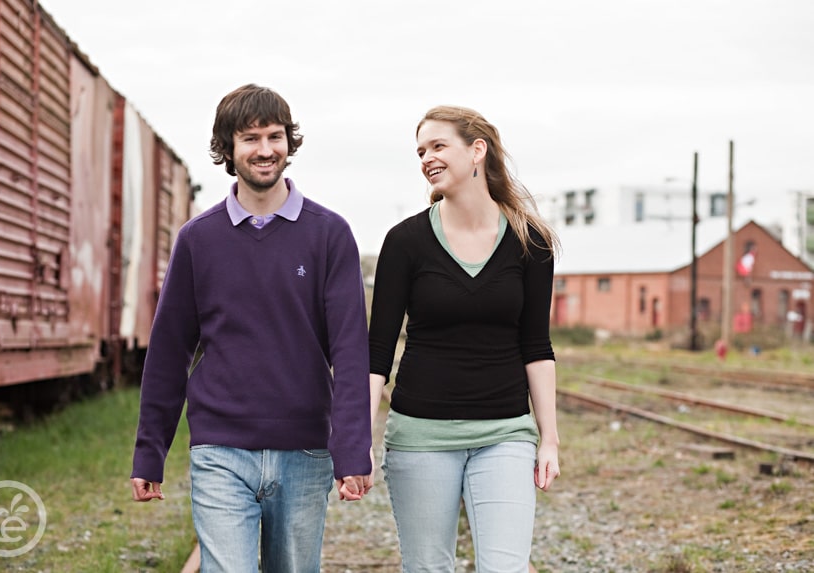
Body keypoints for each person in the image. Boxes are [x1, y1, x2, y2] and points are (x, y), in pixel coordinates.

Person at [130, 83, 373, 573]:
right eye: (251, 138)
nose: (265, 150)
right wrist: (149, 452)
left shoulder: (329, 234)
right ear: (228, 149)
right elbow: (168, 351)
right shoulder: (199, 239)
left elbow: (349, 351)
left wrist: (352, 449)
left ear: (290, 142)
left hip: (304, 452)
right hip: (220, 449)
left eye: (275, 136)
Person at [368, 105, 561, 572]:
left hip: (505, 434)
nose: (426, 159)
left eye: (438, 146)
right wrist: (360, 439)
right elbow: (377, 350)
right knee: (429, 567)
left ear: (477, 150)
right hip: (420, 436)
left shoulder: (529, 241)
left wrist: (549, 438)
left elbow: (537, 345)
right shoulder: (405, 241)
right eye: (420, 151)